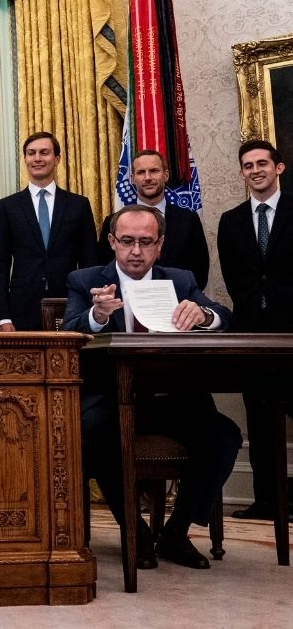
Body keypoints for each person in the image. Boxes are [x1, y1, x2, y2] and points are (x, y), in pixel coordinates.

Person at [62, 204, 241, 570]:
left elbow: (225, 316)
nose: (136, 251)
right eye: (127, 241)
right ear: (112, 241)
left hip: (171, 400)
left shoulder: (180, 280)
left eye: (146, 242)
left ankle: (176, 532)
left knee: (224, 435)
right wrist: (96, 316)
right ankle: (136, 531)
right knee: (97, 434)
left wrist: (205, 315)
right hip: (110, 399)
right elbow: (67, 332)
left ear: (160, 244)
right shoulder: (85, 281)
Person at [217, 139, 293, 522]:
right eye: (248, 165)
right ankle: (267, 500)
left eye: (262, 163)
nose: (255, 170)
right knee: (260, 419)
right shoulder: (231, 221)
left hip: (292, 332)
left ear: (278, 168)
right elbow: (235, 278)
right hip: (252, 334)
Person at [0, 131, 98, 331]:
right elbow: (0, 267)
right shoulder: (7, 207)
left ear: (56, 159)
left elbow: (89, 262)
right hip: (22, 309)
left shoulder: (78, 205)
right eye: (31, 153)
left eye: (44, 152)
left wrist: (90, 308)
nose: (37, 158)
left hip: (71, 306)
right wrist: (2, 318)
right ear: (25, 159)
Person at [96, 150, 210, 289]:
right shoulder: (113, 221)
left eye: (154, 171)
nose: (148, 177)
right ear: (132, 178)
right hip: (126, 304)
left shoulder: (188, 220)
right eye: (141, 172)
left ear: (166, 175)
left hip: (178, 304)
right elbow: (103, 270)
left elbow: (200, 271)